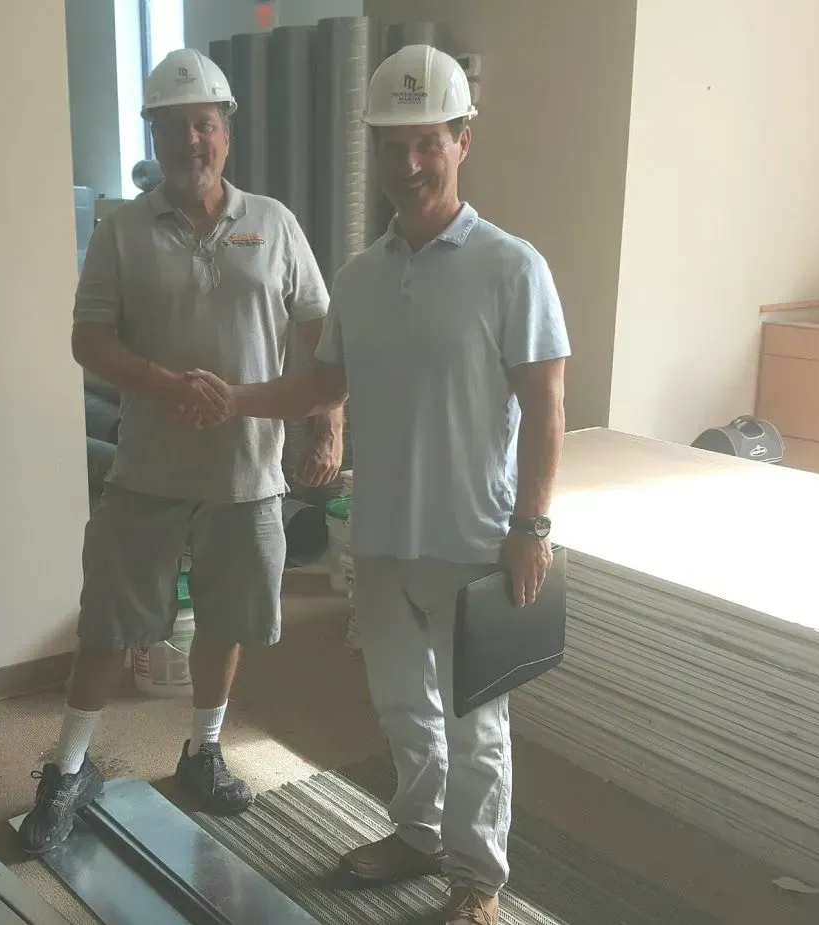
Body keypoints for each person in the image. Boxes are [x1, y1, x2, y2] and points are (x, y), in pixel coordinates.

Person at [189, 44, 570, 924]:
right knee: (402, 702)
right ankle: (417, 829)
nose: (404, 165)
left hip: (476, 539)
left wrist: (533, 524)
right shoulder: (359, 277)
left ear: (462, 140)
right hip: (384, 534)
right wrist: (235, 396)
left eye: (425, 142)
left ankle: (476, 880)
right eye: (390, 144)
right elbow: (323, 386)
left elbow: (546, 407)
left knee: (477, 723)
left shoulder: (512, 268)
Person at [16, 48, 343, 856]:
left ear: (225, 133)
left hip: (248, 473)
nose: (191, 141)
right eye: (174, 127)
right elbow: (86, 338)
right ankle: (68, 768)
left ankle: (201, 748)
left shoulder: (275, 223)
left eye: (205, 125)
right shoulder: (122, 229)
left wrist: (327, 422)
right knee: (108, 624)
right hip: (149, 470)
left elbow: (322, 338)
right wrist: (166, 385)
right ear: (153, 136)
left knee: (227, 622)